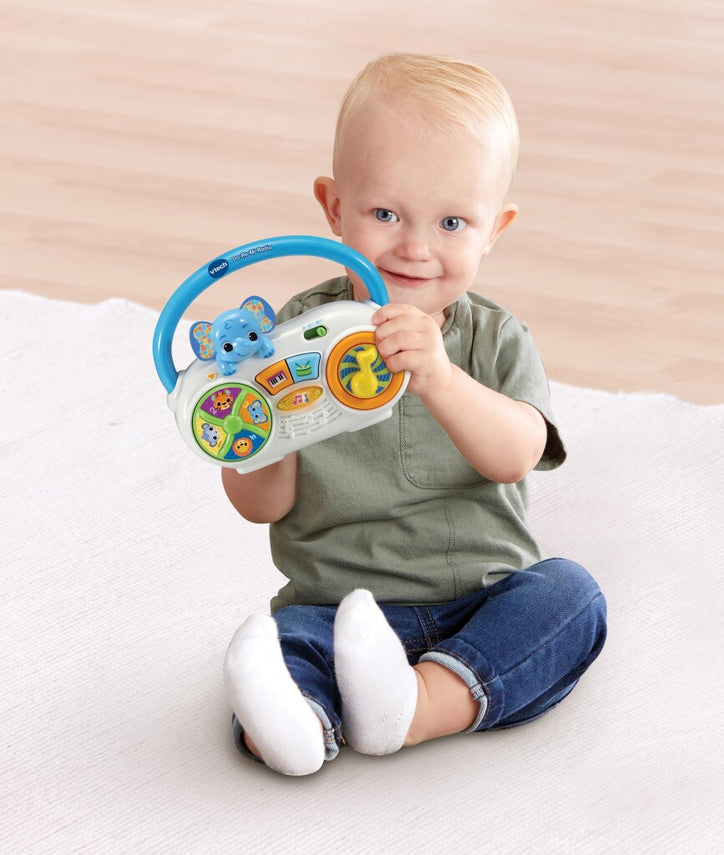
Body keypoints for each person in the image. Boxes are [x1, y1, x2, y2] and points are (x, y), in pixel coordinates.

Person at [221, 53, 607, 776]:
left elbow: (516, 455)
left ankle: (419, 704)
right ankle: (296, 726)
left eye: (453, 222)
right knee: (287, 648)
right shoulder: (292, 339)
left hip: (482, 601)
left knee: (571, 598)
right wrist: (263, 424)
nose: (415, 247)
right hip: (333, 607)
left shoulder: (496, 338)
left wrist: (441, 378)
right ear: (333, 208)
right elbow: (258, 505)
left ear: (495, 228)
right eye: (385, 214)